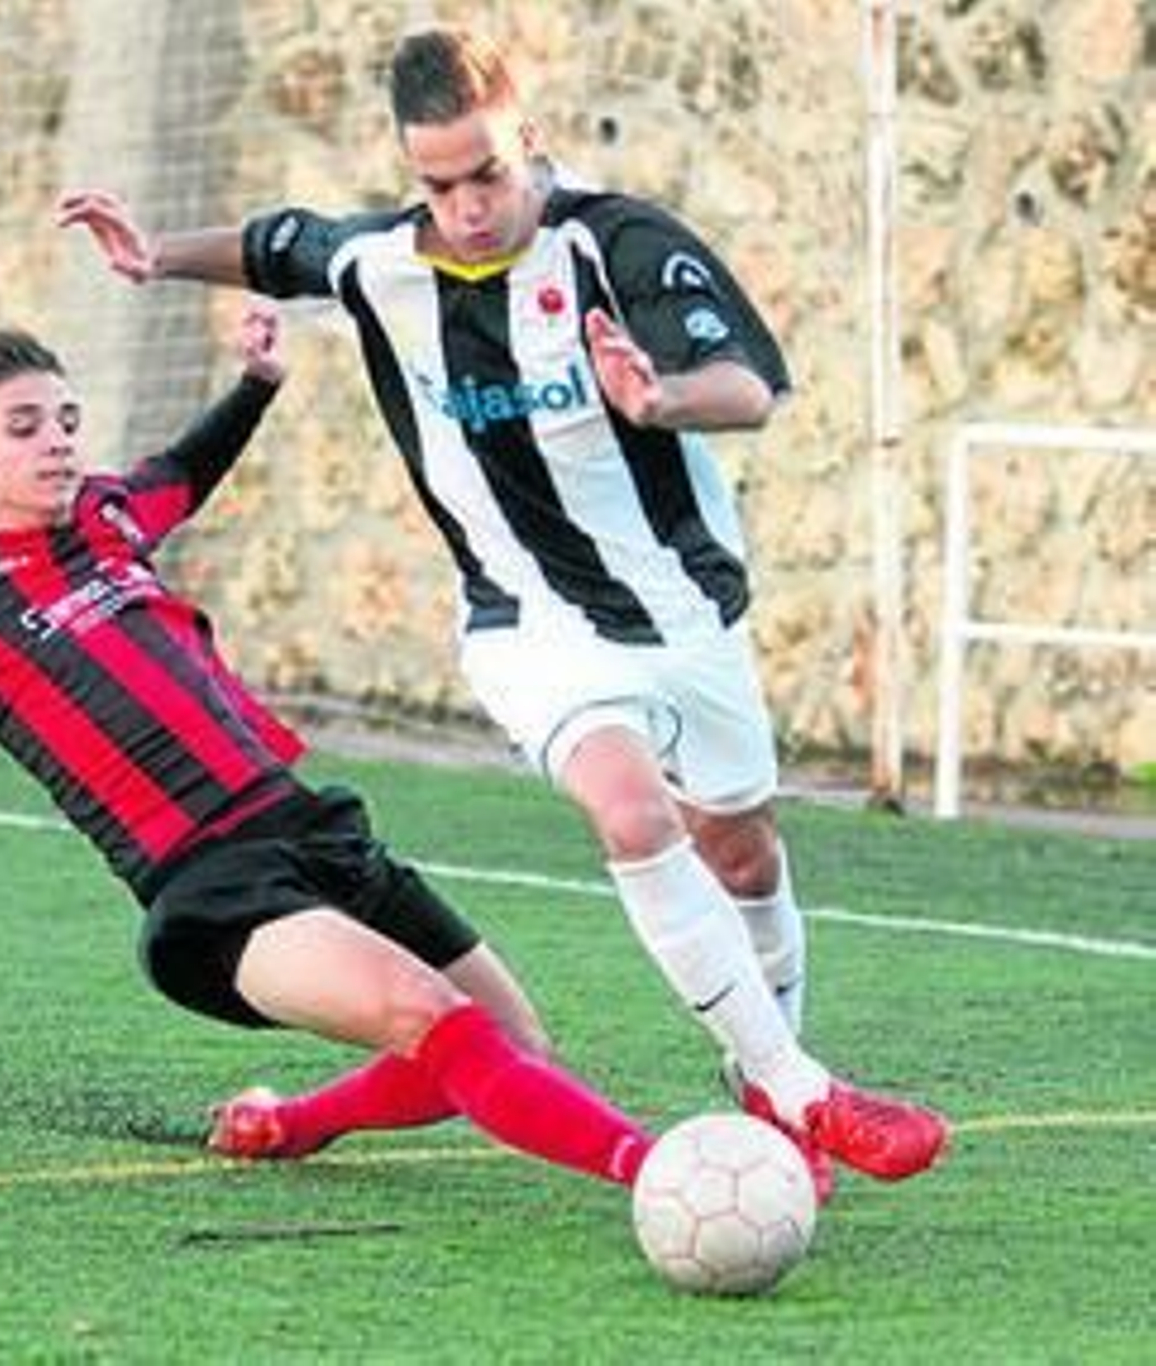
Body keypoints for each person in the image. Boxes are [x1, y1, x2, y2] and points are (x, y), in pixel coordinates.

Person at [56, 26, 949, 1197]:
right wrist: (156, 254)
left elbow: (751, 387)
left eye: (486, 174)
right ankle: (799, 1091)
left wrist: (660, 397)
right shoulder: (382, 263)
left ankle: (760, 1074)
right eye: (438, 183)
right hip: (526, 625)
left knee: (740, 848)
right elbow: (280, 244)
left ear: (526, 139)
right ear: (409, 173)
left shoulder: (617, 241)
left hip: (682, 613)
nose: (468, 205)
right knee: (632, 814)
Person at [0, 305, 659, 1190]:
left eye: (67, 421)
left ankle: (290, 1122)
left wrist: (256, 381)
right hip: (214, 890)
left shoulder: (108, 517)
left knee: (517, 1044)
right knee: (427, 1013)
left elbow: (185, 470)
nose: (56, 441)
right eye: (24, 426)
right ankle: (655, 1168)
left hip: (309, 825)